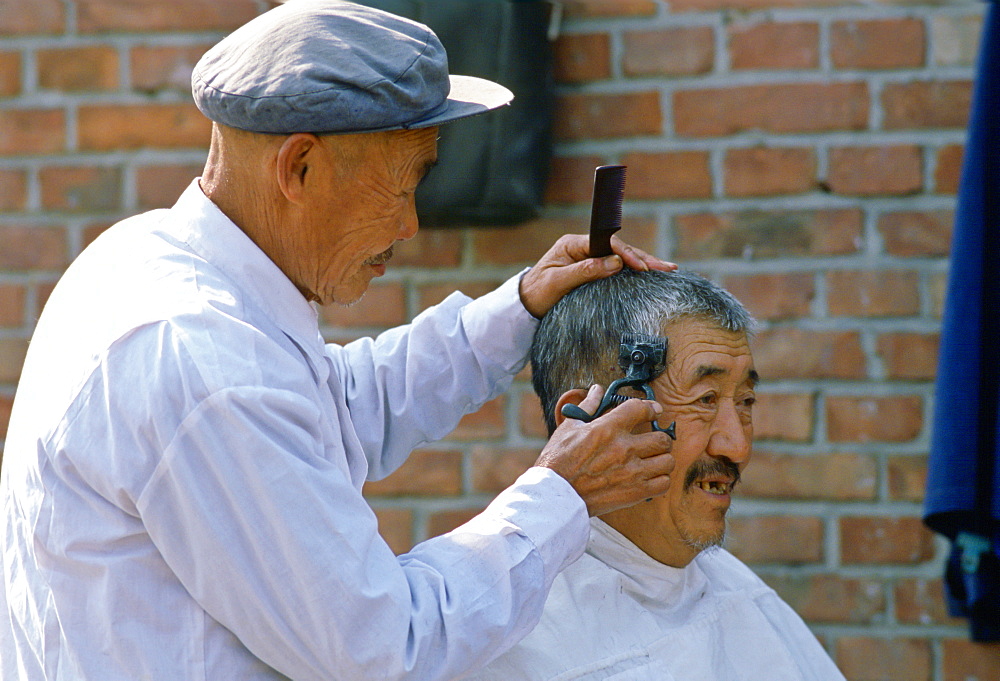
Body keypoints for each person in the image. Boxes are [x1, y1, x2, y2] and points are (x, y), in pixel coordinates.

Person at [0, 2, 678, 680]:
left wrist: (521, 305)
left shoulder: (149, 255)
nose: (411, 224)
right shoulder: (204, 359)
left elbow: (331, 408)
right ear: (299, 167)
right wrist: (562, 492)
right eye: (405, 181)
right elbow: (384, 646)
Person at [466, 268, 847, 681]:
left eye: (746, 401)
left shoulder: (742, 596)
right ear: (588, 422)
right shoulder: (509, 647)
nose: (736, 447)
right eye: (704, 400)